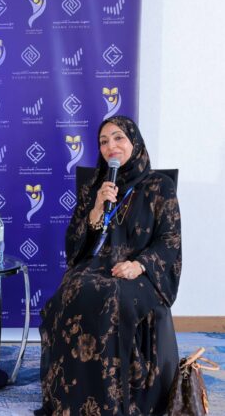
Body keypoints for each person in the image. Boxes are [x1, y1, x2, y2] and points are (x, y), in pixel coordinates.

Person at [37, 116, 182, 415]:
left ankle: (111, 398)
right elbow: (74, 245)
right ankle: (71, 395)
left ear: (134, 142)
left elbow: (169, 240)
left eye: (118, 138)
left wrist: (139, 265)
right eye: (103, 141)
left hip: (141, 272)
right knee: (70, 292)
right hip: (97, 265)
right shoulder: (96, 186)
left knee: (112, 298)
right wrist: (95, 209)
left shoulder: (160, 186)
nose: (110, 146)